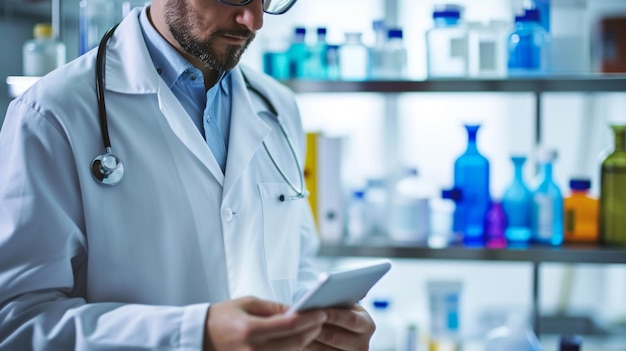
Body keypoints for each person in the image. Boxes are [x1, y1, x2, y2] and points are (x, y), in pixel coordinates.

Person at [0, 0, 376, 349]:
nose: (255, 20)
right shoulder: (51, 115)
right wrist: (195, 334)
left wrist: (319, 322)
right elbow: (16, 319)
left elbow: (296, 262)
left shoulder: (277, 106)